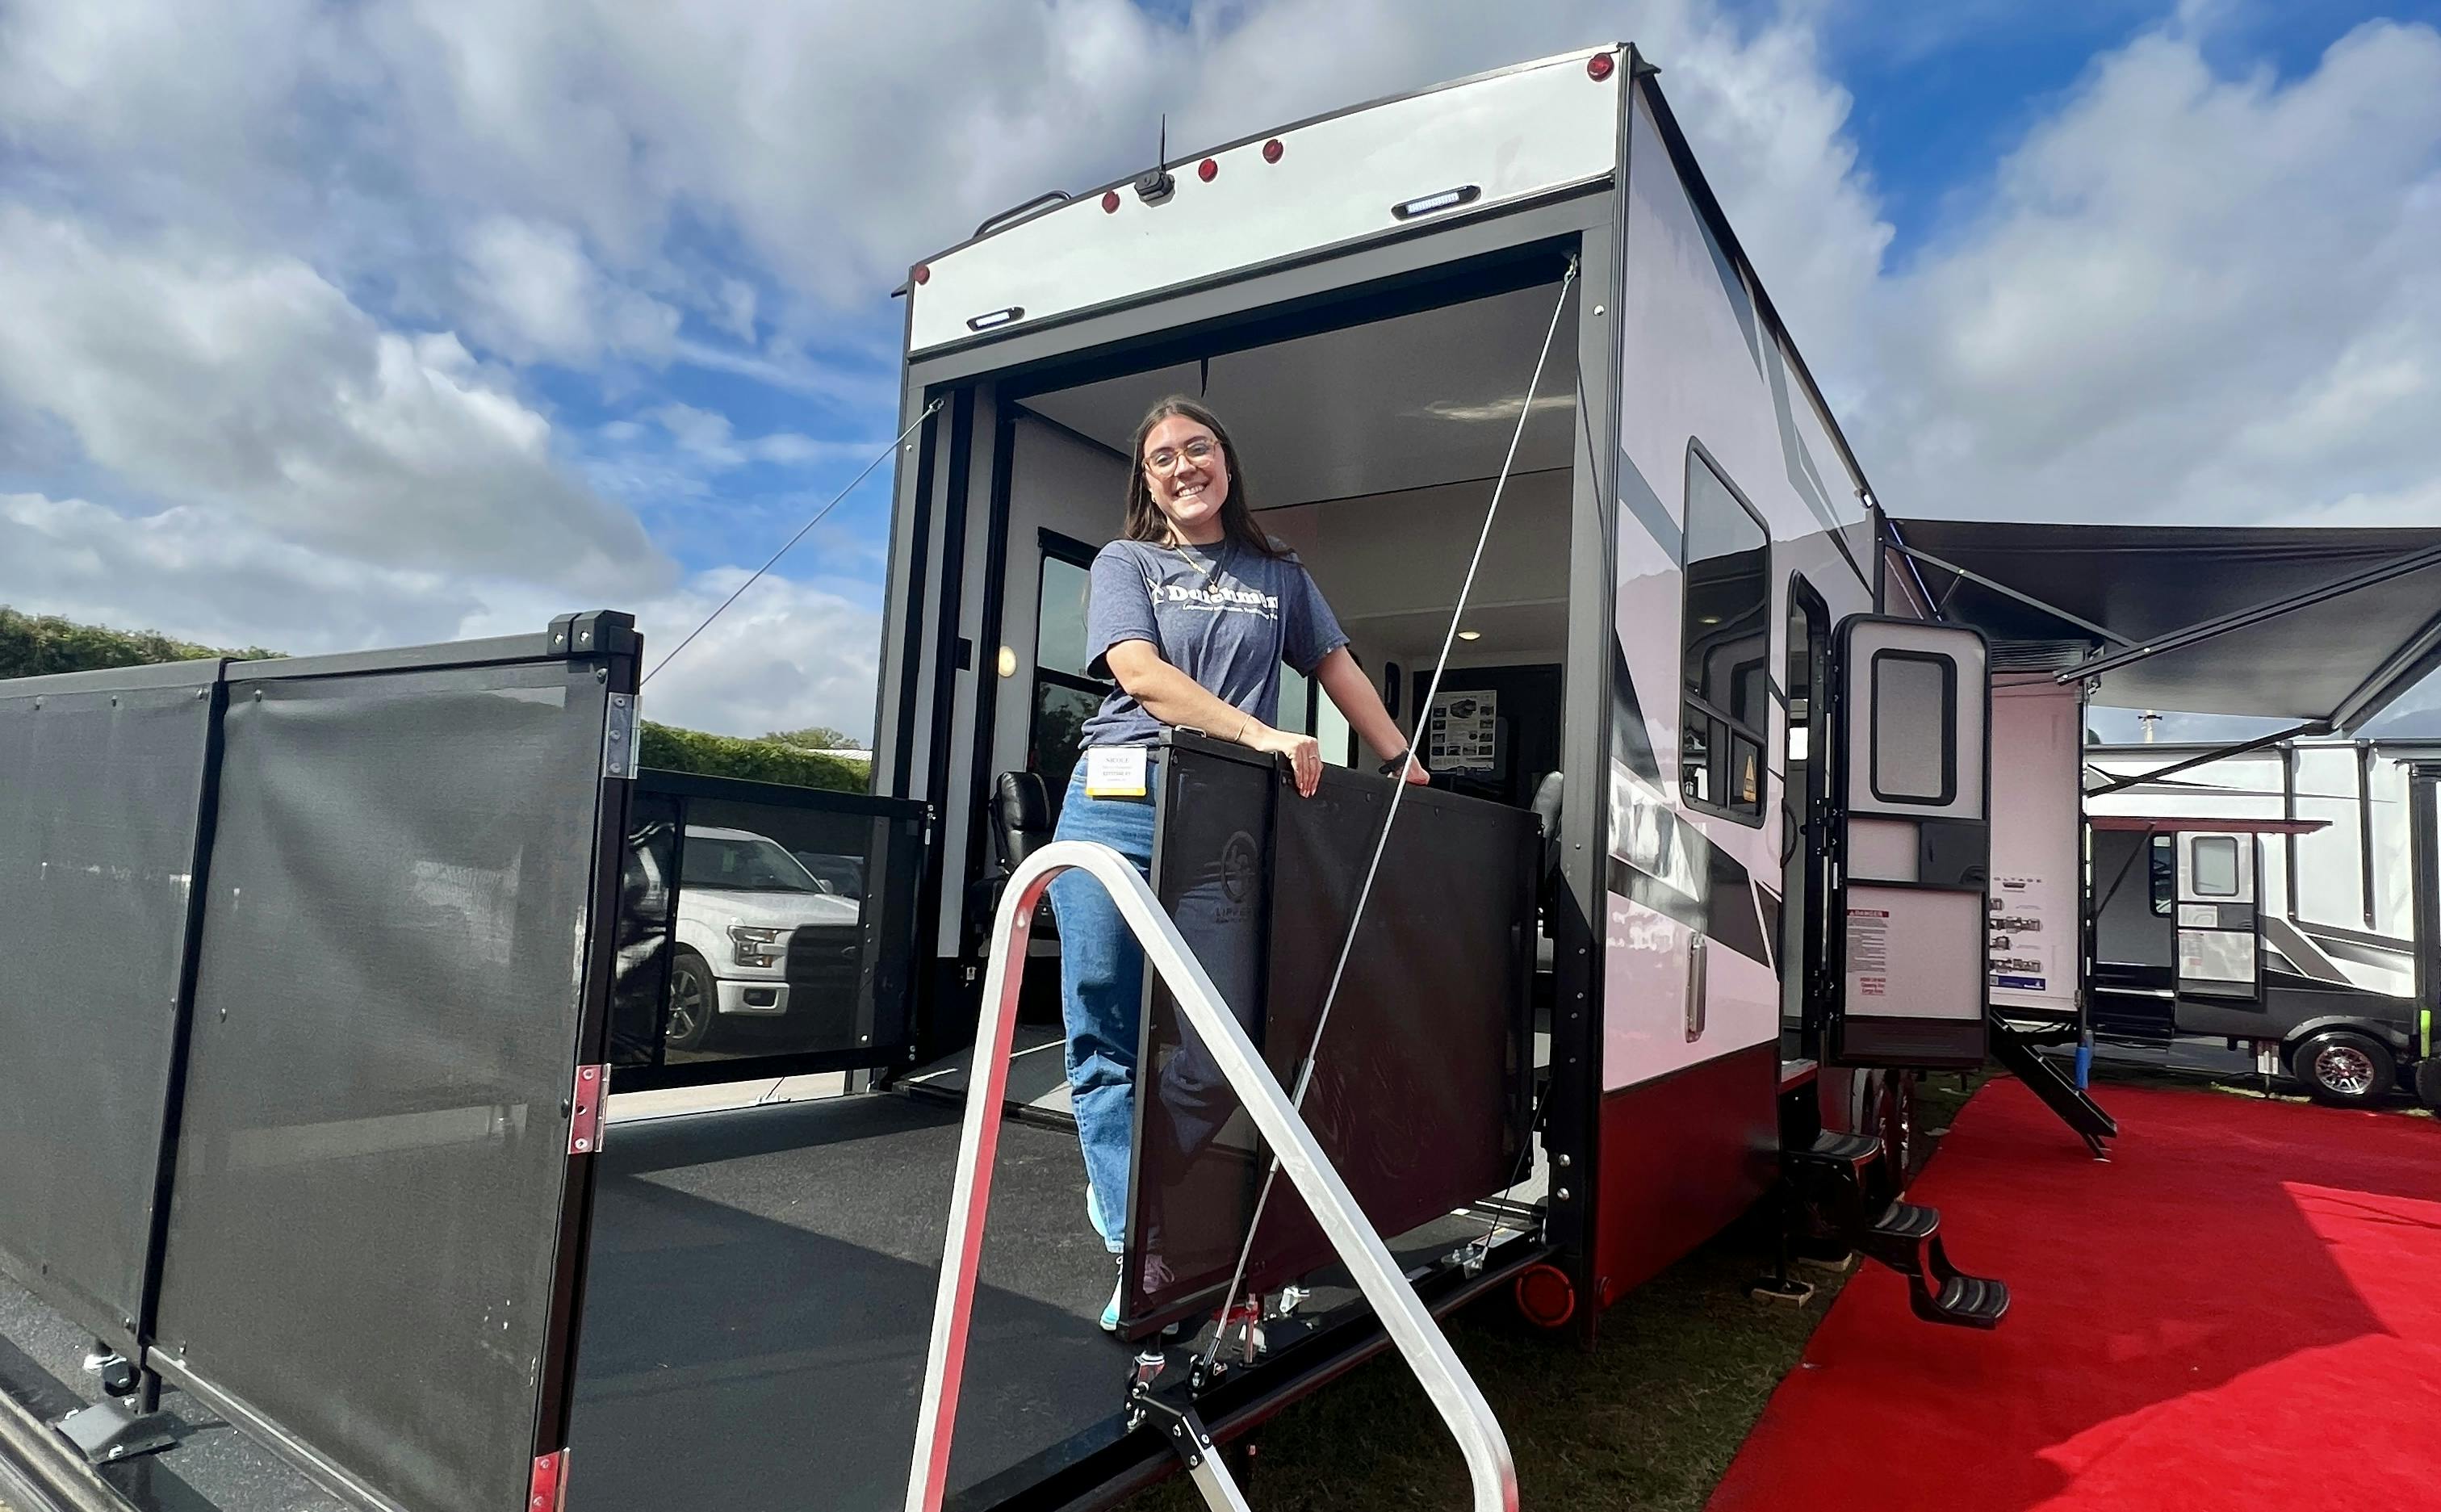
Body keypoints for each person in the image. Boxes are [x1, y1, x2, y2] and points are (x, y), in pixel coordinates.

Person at [1048, 395, 1425, 1332]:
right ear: (1147, 480)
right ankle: (1134, 1232)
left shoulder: (1278, 574)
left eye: (1198, 449)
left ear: (1227, 461)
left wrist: (1401, 759)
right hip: (1115, 800)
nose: (1182, 466)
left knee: (1221, 1045)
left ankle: (1148, 1189)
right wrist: (1261, 730)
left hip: (1222, 821)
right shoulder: (1126, 563)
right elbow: (1139, 675)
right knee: (1102, 1023)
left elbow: (1334, 662)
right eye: (1162, 457)